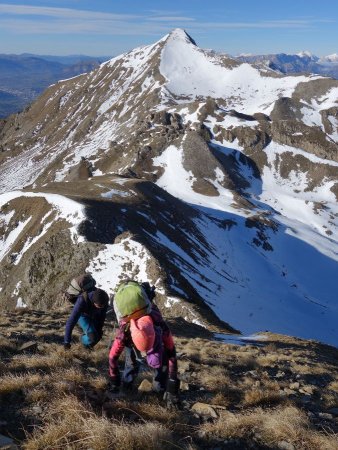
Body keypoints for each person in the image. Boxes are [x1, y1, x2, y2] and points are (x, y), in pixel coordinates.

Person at [108, 281, 180, 408]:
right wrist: (115, 382)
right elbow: (112, 357)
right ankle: (127, 385)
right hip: (133, 338)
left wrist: (172, 388)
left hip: (152, 337)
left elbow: (172, 356)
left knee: (159, 360)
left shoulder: (160, 326)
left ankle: (160, 388)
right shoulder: (124, 333)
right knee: (131, 360)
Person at [63, 274, 109, 349]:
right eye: (100, 306)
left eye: (103, 306)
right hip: (83, 316)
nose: (102, 308)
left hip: (93, 315)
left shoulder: (104, 300)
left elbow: (102, 315)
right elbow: (71, 322)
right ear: (94, 303)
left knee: (98, 335)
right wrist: (66, 342)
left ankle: (87, 348)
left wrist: (99, 328)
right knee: (93, 336)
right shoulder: (82, 301)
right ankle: (81, 340)